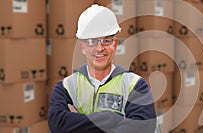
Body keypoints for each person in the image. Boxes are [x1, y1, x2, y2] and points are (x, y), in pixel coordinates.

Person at [48, 4, 157, 133]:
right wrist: (112, 118)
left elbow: (144, 127)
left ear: (115, 44)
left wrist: (77, 125)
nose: (99, 48)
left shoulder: (135, 85)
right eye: (91, 41)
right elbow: (57, 124)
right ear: (82, 46)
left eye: (106, 40)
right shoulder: (66, 88)